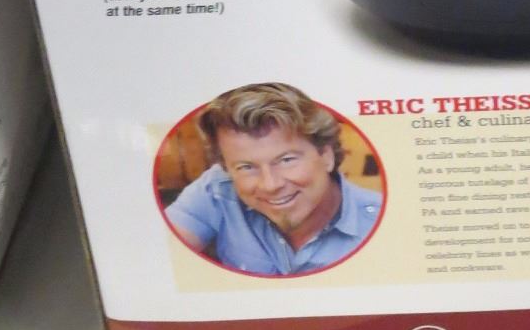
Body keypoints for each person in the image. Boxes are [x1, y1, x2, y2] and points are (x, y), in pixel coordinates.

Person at [164, 82, 382, 276]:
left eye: (286, 160)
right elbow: (157, 254)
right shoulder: (217, 188)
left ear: (326, 156)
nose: (270, 185)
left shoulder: (381, 222)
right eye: (246, 167)